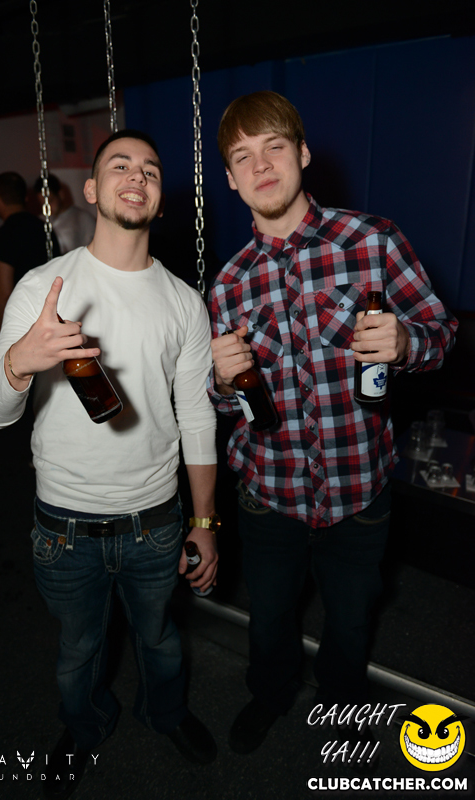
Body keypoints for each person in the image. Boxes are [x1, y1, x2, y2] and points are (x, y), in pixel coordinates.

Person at [208, 91, 457, 756]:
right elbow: (228, 404)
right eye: (243, 157)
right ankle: (270, 693)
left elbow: (441, 332)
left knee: (350, 621)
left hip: (357, 489)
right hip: (268, 495)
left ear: (303, 153)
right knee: (269, 619)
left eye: (274, 147)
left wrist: (406, 343)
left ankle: (341, 707)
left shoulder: (373, 241)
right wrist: (222, 383)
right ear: (230, 179)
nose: (262, 166)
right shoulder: (228, 284)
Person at [0, 129, 220, 799]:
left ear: (160, 198)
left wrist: (204, 521)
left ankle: (165, 712)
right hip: (65, 527)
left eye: (150, 169)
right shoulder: (44, 287)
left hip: (156, 522)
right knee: (78, 649)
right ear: (91, 190)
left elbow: (198, 418)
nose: (136, 176)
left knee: (160, 638)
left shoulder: (184, 301)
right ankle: (84, 727)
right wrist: (20, 362)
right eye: (120, 165)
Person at [0, 172, 60, 333]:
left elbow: (4, 292)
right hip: (53, 312)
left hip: (23, 320)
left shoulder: (3, 235)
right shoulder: (45, 228)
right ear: (26, 198)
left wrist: (1, 334)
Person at [34, 174, 96, 254]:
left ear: (60, 194)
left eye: (50, 201)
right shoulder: (39, 221)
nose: (47, 207)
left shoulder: (82, 218)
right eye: (42, 204)